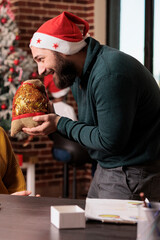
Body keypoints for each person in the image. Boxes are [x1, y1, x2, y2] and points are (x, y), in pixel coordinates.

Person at [24, 11, 160, 201]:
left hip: (131, 173)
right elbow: (91, 131)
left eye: (41, 59)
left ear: (63, 50)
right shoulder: (79, 75)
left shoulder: (109, 74)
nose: (41, 70)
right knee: (92, 229)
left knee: (111, 232)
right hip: (110, 168)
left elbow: (109, 141)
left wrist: (59, 123)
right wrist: (52, 120)